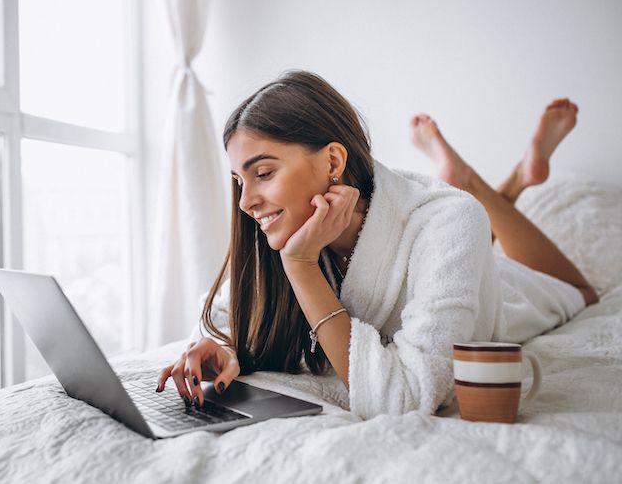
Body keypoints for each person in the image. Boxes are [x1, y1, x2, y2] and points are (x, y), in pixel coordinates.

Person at [155, 70, 598, 418]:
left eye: (264, 173)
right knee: (471, 228)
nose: (247, 202)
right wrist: (222, 346)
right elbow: (223, 315)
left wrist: (303, 267)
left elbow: (407, 397)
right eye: (239, 180)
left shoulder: (446, 220)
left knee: (582, 293)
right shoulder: (283, 229)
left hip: (502, 290)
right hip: (453, 244)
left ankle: (482, 184)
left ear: (333, 160)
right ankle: (499, 182)